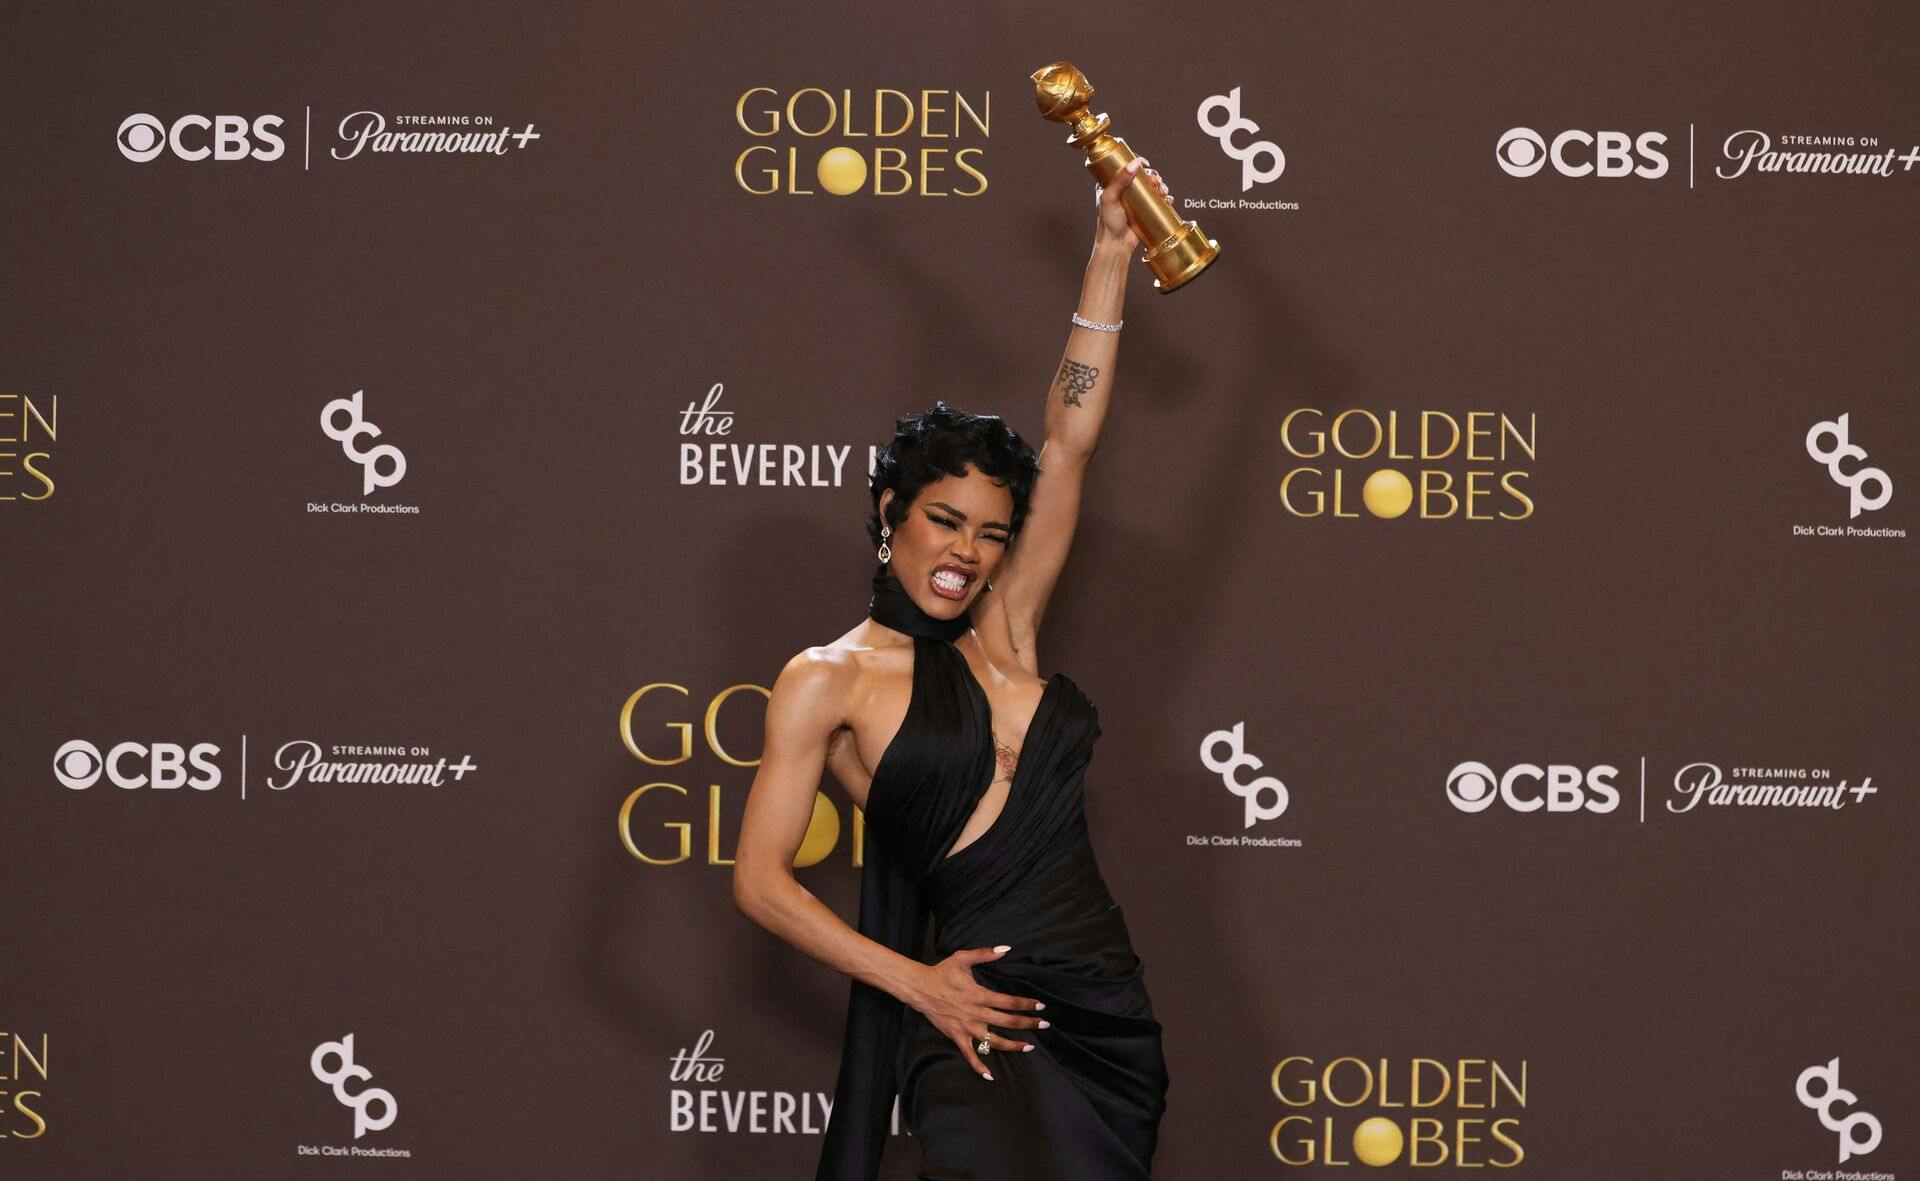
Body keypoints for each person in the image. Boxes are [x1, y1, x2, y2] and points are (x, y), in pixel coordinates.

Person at [733, 156, 1173, 1179]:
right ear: (889, 518)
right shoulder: (826, 676)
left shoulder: (1006, 629)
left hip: (1102, 1006)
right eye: (943, 520)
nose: (966, 551)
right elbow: (760, 879)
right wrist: (918, 984)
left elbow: (1067, 445)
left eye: (988, 532)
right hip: (972, 1009)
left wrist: (1110, 251)